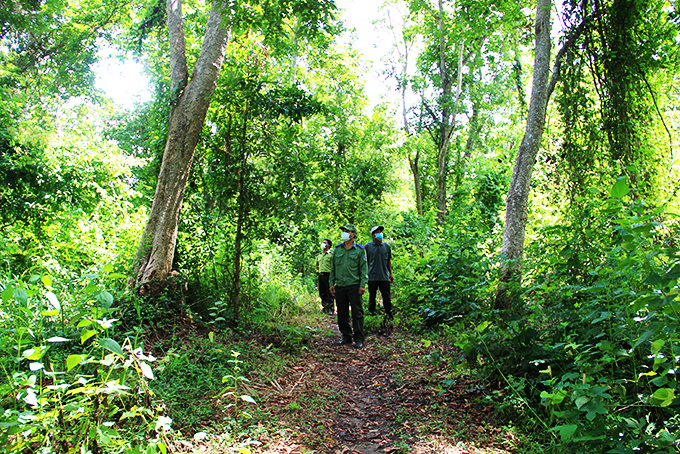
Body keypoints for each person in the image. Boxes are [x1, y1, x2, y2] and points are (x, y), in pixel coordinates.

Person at [329, 223, 368, 348]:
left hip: (354, 285)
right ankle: (346, 336)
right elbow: (333, 268)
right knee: (342, 312)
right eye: (344, 230)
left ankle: (358, 338)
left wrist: (362, 285)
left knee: (357, 312)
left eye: (347, 231)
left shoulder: (360, 250)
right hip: (340, 285)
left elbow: (363, 269)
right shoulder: (338, 249)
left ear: (353, 234)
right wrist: (331, 283)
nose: (344, 233)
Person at [365, 225, 394, 319]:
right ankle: (372, 314)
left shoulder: (386, 246)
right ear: (373, 235)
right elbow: (364, 261)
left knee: (387, 297)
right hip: (372, 276)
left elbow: (388, 261)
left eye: (380, 232)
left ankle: (389, 314)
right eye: (377, 232)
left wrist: (391, 273)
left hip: (384, 276)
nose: (380, 234)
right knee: (372, 296)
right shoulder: (367, 246)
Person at [315, 238, 334, 315]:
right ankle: (325, 307)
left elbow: (333, 266)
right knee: (322, 292)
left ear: (328, 245)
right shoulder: (319, 255)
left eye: (325, 243)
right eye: (323, 242)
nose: (323, 244)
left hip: (328, 275)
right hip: (321, 275)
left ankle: (331, 308)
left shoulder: (331, 255)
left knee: (330, 292)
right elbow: (316, 265)